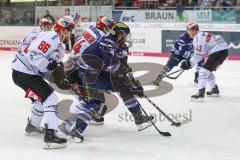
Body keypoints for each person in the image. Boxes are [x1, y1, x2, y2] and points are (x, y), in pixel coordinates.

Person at [59, 22, 155, 142]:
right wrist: (130, 84)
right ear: (119, 35)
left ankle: (71, 128)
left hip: (96, 72)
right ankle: (74, 129)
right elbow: (114, 67)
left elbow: (123, 66)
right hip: (88, 74)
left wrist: (133, 82)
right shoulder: (107, 42)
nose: (126, 38)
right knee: (96, 100)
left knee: (108, 95)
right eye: (124, 35)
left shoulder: (120, 45)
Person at [11, 17, 74, 149]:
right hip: (24, 74)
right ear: (63, 30)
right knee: (50, 98)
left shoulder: (57, 43)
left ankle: (33, 125)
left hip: (23, 74)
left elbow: (45, 68)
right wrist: (50, 66)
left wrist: (56, 78)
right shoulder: (51, 38)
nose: (71, 33)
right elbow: (33, 56)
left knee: (41, 100)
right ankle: (51, 136)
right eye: (69, 30)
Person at [64, 15, 115, 125]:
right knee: (88, 97)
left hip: (71, 64)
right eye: (108, 26)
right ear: (102, 26)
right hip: (79, 68)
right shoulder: (102, 36)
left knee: (87, 95)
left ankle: (86, 114)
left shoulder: (92, 26)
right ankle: (71, 122)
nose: (109, 29)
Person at [180, 24, 228, 101]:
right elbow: (203, 52)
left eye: (190, 31)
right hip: (221, 51)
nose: (189, 32)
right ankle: (214, 90)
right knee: (207, 71)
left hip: (218, 52)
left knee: (203, 71)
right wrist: (189, 64)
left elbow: (199, 55)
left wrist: (189, 64)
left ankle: (201, 94)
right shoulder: (202, 34)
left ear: (193, 30)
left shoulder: (198, 38)